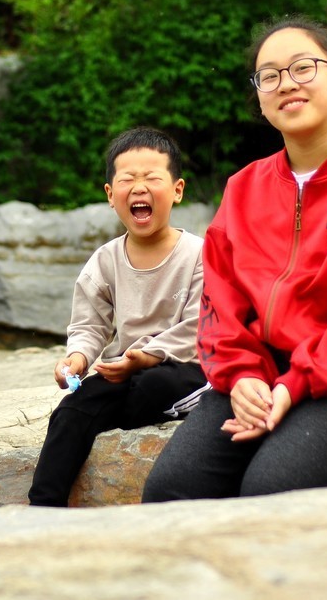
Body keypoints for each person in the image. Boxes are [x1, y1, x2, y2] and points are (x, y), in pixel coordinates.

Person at [142, 15, 327, 502]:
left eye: (303, 68)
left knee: (272, 487)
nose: (287, 84)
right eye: (270, 75)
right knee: (172, 488)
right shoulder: (244, 189)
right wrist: (239, 375)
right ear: (260, 97)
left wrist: (294, 384)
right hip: (263, 366)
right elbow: (220, 303)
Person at [28, 126, 208, 507]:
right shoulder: (105, 260)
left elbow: (201, 325)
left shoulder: (198, 254)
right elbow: (89, 325)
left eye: (152, 178)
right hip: (125, 371)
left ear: (177, 189)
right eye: (127, 179)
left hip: (184, 366)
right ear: (111, 195)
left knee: (153, 386)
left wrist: (147, 356)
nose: (139, 188)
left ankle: (188, 403)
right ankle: (43, 507)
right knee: (72, 409)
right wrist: (77, 358)